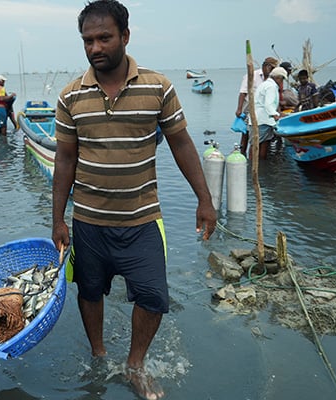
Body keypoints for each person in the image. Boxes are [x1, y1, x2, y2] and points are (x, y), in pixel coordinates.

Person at [51, 2, 216, 399]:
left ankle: (135, 363)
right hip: (89, 221)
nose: (95, 47)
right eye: (88, 40)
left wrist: (204, 200)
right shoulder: (71, 96)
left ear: (125, 36)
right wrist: (58, 219)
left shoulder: (158, 87)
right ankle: (98, 353)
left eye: (104, 37)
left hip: (142, 219)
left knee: (155, 297)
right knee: (89, 292)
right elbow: (65, 159)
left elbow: (181, 143)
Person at [234, 56, 278, 156]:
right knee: (246, 133)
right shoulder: (252, 75)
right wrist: (239, 109)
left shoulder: (272, 80)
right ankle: (242, 154)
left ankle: (260, 159)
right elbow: (242, 93)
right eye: (271, 68)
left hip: (263, 109)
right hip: (250, 106)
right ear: (265, 66)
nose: (272, 71)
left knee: (264, 136)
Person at [252, 66, 288, 159]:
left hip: (261, 119)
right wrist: (276, 115)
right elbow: (268, 105)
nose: (282, 82)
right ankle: (256, 166)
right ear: (278, 77)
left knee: (261, 144)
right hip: (262, 120)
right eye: (282, 79)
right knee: (257, 145)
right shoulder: (271, 87)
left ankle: (259, 167)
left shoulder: (265, 84)